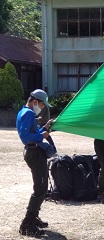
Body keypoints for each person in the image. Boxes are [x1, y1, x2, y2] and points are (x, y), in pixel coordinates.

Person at [16, 89, 54, 236]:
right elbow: (26, 137)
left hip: (33, 152)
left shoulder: (23, 112)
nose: (42, 108)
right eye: (42, 105)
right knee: (40, 188)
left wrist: (44, 128)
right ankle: (26, 224)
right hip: (34, 152)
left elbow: (32, 132)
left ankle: (34, 217)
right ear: (35, 101)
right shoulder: (29, 113)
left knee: (41, 187)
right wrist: (42, 135)